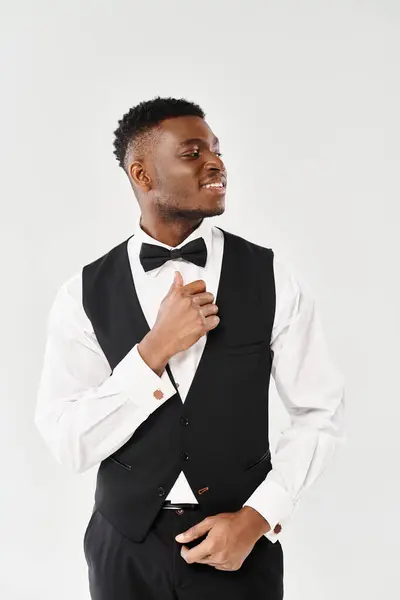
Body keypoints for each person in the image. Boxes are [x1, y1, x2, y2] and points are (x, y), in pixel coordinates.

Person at [34, 96, 345, 599]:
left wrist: (256, 519)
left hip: (239, 548)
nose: (216, 163)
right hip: (122, 551)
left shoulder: (273, 279)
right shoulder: (82, 294)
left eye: (217, 151)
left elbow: (319, 413)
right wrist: (153, 351)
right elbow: (69, 442)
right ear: (142, 173)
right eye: (193, 152)